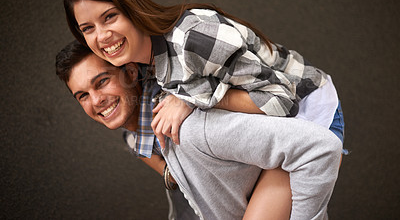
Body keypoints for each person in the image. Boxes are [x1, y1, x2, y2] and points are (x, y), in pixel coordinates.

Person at [56, 40, 342, 219]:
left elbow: (319, 147)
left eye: (102, 82)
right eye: (82, 95)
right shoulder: (137, 138)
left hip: (308, 104)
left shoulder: (190, 124)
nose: (96, 101)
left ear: (131, 73)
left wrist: (188, 101)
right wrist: (168, 175)